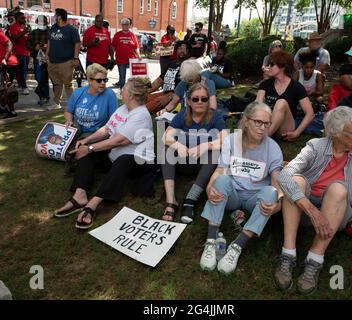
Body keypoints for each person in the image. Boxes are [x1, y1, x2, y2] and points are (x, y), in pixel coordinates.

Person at [274, 106, 352, 295]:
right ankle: (288, 254)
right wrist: (310, 209)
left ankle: (314, 260)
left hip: (337, 213)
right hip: (302, 210)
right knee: (296, 180)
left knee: (339, 188)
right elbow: (284, 175)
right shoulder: (316, 146)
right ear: (336, 134)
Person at [54, 77, 156, 230]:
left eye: (125, 88)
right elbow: (106, 129)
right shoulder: (123, 108)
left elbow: (119, 141)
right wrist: (87, 141)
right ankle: (79, 195)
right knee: (87, 152)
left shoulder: (141, 115)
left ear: (132, 94)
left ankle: (93, 203)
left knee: (122, 160)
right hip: (116, 156)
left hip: (140, 162)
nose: (122, 90)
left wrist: (90, 147)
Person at [199, 101, 284, 274]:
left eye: (266, 124)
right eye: (257, 122)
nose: (262, 128)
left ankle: (237, 246)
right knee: (221, 180)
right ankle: (210, 241)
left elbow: (277, 183)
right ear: (246, 120)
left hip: (255, 201)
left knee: (271, 192)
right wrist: (209, 188)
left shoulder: (273, 149)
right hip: (232, 195)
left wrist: (278, 203)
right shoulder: (231, 141)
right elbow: (220, 170)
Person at [161, 83, 227, 223]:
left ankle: (190, 199)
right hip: (183, 160)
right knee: (167, 149)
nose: (200, 102)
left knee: (215, 153)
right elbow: (165, 137)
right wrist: (178, 145)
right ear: (189, 101)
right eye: (195, 99)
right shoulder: (182, 115)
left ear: (208, 101)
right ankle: (170, 200)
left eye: (204, 99)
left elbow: (225, 140)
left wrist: (206, 145)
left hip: (203, 164)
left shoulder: (215, 117)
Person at [256, 51, 314, 141]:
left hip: (285, 128)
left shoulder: (296, 86)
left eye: (272, 65)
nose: (268, 67)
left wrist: (297, 132)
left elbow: (310, 113)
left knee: (281, 102)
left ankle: (263, 138)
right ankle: (262, 135)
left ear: (282, 66)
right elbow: (257, 105)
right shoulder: (265, 84)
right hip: (267, 123)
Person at [46, 8, 81, 111]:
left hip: (66, 62)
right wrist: (46, 55)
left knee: (68, 84)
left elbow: (77, 44)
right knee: (56, 84)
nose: (54, 17)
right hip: (52, 61)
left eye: (55, 15)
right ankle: (56, 103)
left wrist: (75, 58)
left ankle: (73, 105)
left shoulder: (71, 30)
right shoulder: (53, 27)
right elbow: (49, 42)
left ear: (59, 17)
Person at [147, 40, 191, 113]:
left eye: (185, 49)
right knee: (141, 100)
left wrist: (170, 97)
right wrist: (145, 91)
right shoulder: (172, 63)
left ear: (189, 52)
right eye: (180, 48)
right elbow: (159, 81)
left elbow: (185, 89)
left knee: (146, 108)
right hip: (165, 93)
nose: (182, 51)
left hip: (176, 98)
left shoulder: (189, 66)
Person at [111, 18, 141, 91]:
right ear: (122, 25)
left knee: (134, 77)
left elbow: (136, 46)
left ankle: (132, 91)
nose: (125, 26)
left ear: (129, 26)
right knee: (122, 77)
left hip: (132, 59)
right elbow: (113, 45)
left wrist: (139, 55)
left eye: (127, 24)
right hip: (121, 59)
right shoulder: (117, 34)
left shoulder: (132, 35)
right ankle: (122, 91)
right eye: (124, 24)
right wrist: (117, 52)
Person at [28, 15, 50, 106]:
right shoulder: (33, 33)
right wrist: (34, 47)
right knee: (39, 78)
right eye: (40, 22)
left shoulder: (50, 32)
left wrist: (47, 47)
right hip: (37, 58)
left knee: (46, 78)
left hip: (49, 58)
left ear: (46, 22)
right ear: (37, 23)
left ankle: (44, 96)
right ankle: (42, 95)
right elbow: (28, 45)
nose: (42, 24)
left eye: (43, 22)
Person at [9, 12, 30, 95]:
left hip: (26, 52)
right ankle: (24, 87)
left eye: (24, 18)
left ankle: (21, 85)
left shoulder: (23, 26)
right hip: (19, 52)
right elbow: (14, 38)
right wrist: (24, 32)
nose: (24, 19)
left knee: (24, 71)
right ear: (17, 18)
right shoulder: (13, 27)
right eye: (22, 18)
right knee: (22, 70)